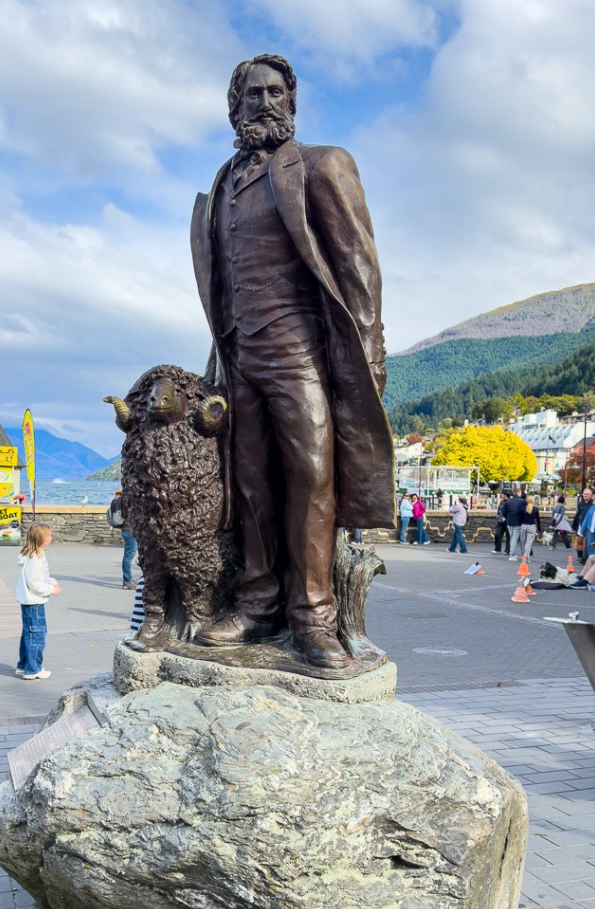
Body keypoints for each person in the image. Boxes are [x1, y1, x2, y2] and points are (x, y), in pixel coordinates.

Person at [190, 54, 395, 669]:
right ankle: (256, 604)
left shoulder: (321, 166)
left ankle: (314, 618)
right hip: (238, 354)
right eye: (253, 94)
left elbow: (359, 269)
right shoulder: (222, 184)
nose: (265, 103)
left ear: (292, 102)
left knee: (312, 477)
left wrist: (370, 356)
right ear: (234, 107)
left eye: (276, 93)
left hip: (298, 349)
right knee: (250, 482)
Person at [15, 523, 62, 680]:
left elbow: (41, 577)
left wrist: (52, 582)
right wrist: (51, 589)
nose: (51, 539)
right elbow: (34, 582)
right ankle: (33, 668)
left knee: (28, 633)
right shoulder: (36, 558)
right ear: (41, 539)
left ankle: (23, 665)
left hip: (29, 602)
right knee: (37, 634)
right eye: (48, 536)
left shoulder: (33, 555)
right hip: (34, 603)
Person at [110, 490, 138, 590]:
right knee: (129, 555)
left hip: (126, 529)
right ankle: (127, 580)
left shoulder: (122, 497)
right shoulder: (128, 499)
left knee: (129, 554)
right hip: (130, 529)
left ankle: (128, 579)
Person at [572, 487, 594, 564]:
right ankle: (580, 556)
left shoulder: (593, 504)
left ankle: (586, 557)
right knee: (579, 541)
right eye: (584, 494)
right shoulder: (581, 503)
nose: (585, 495)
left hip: (589, 526)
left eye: (587, 494)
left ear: (591, 495)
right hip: (581, 524)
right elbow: (577, 514)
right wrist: (574, 526)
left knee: (588, 541)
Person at [504, 487, 527, 561]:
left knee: (512, 538)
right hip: (518, 522)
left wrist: (508, 517)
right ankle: (512, 554)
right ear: (519, 492)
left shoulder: (508, 501)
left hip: (509, 522)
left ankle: (513, 553)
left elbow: (504, 513)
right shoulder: (523, 501)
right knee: (514, 538)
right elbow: (525, 512)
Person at [520, 493, 542, 559]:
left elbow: (520, 518)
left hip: (523, 526)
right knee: (529, 543)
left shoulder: (522, 509)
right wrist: (539, 529)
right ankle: (526, 556)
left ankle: (523, 555)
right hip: (532, 526)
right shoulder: (535, 509)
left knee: (523, 543)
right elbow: (538, 520)